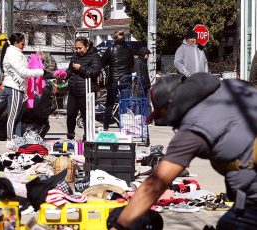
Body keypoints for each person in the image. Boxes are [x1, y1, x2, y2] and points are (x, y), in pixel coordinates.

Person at [107, 73, 257, 230]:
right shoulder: (234, 87)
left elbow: (155, 185)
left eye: (161, 114)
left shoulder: (194, 129)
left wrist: (118, 226)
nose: (164, 121)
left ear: (170, 104)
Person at [0, 32, 50, 149]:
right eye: (22, 44)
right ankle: (10, 139)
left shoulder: (15, 53)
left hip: (18, 87)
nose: (24, 45)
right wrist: (41, 72)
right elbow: (23, 71)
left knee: (18, 115)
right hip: (14, 87)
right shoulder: (13, 53)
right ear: (16, 43)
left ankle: (17, 138)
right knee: (13, 115)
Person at [59, 36, 102, 140]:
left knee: (86, 115)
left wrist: (81, 68)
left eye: (80, 48)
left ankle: (87, 136)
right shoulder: (75, 56)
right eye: (76, 48)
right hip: (73, 90)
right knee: (70, 115)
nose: (78, 50)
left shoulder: (95, 56)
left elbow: (95, 71)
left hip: (86, 90)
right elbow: (70, 69)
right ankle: (70, 135)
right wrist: (64, 74)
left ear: (86, 46)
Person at [101, 30, 134, 131]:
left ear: (114, 38)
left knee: (109, 104)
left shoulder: (111, 49)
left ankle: (106, 126)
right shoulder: (129, 49)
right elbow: (132, 63)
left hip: (114, 80)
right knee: (125, 105)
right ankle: (123, 126)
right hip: (126, 79)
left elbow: (102, 62)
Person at [134, 47, 152, 115]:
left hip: (144, 86)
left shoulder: (143, 62)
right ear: (142, 54)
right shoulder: (138, 62)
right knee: (140, 104)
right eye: (146, 54)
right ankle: (139, 119)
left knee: (143, 104)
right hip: (141, 87)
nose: (148, 56)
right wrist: (142, 84)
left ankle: (143, 119)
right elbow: (138, 75)